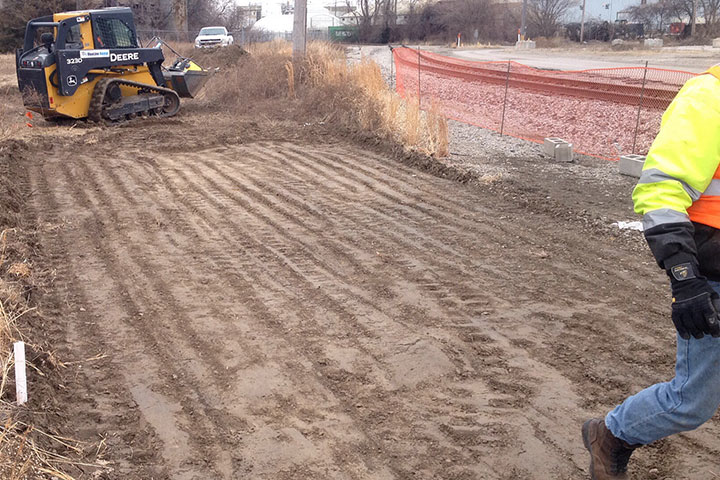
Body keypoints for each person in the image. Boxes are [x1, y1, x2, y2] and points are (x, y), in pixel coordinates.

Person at [582, 64, 720, 479]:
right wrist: (684, 277)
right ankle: (611, 434)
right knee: (691, 401)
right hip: (711, 275)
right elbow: (660, 190)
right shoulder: (708, 99)